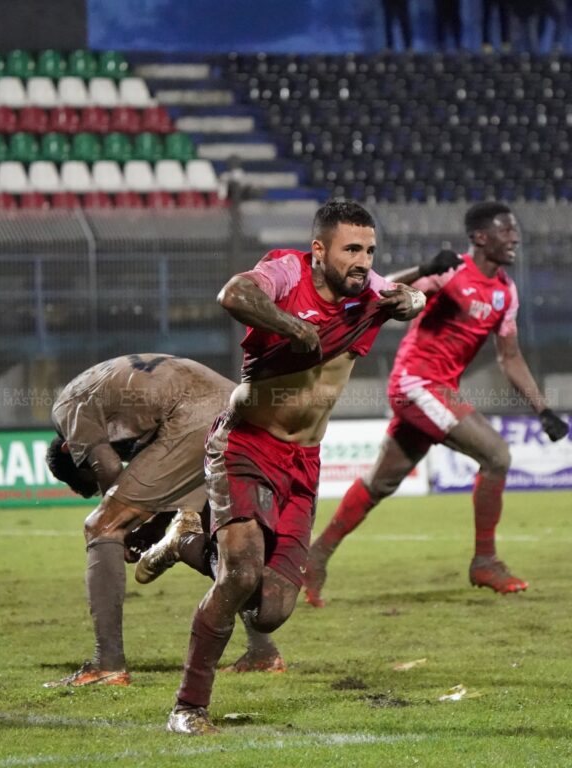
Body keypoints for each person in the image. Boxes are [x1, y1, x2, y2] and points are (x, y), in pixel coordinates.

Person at [165, 200, 428, 735]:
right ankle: (188, 709)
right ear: (318, 250)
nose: (363, 260)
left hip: (303, 463)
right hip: (245, 444)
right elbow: (234, 294)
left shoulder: (368, 290)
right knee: (240, 572)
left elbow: (411, 298)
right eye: (352, 249)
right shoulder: (285, 271)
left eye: (370, 250)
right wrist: (292, 327)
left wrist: (412, 299)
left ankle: (186, 539)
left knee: (270, 611)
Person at [305, 202, 569, 609]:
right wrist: (423, 268)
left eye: (514, 231)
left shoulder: (505, 292)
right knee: (497, 455)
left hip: (434, 390)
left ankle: (315, 557)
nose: (514, 238)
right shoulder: (451, 272)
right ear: (481, 237)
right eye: (506, 230)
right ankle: (485, 561)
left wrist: (542, 409)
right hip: (417, 383)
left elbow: (510, 357)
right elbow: (383, 290)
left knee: (380, 483)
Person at [43, 353, 285, 689]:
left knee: (101, 526)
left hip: (193, 416)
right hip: (239, 409)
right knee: (222, 544)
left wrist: (125, 530)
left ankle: (107, 664)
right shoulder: (113, 400)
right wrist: (152, 527)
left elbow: (110, 471)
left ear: (71, 450)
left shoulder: (67, 408)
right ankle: (263, 652)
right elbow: (167, 480)